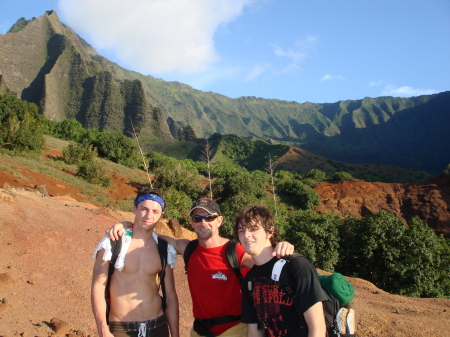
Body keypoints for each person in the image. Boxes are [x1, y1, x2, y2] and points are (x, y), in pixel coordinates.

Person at [107, 198, 294, 337]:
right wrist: (127, 224)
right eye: (197, 218)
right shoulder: (187, 248)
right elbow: (153, 236)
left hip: (234, 329)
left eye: (209, 217)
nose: (203, 223)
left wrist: (282, 246)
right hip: (199, 330)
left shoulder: (235, 251)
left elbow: (266, 263)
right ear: (191, 222)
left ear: (219, 220)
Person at [91, 188, 180, 337]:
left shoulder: (163, 248)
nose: (149, 216)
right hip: (121, 328)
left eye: (155, 212)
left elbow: (170, 296)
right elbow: (98, 287)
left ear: (161, 215)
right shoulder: (113, 242)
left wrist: (175, 334)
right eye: (144, 209)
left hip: (157, 325)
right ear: (135, 209)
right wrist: (102, 328)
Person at [236, 205, 327, 337]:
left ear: (270, 231)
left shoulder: (296, 266)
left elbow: (317, 329)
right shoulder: (249, 280)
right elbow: (254, 332)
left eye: (253, 229)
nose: (246, 235)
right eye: (241, 230)